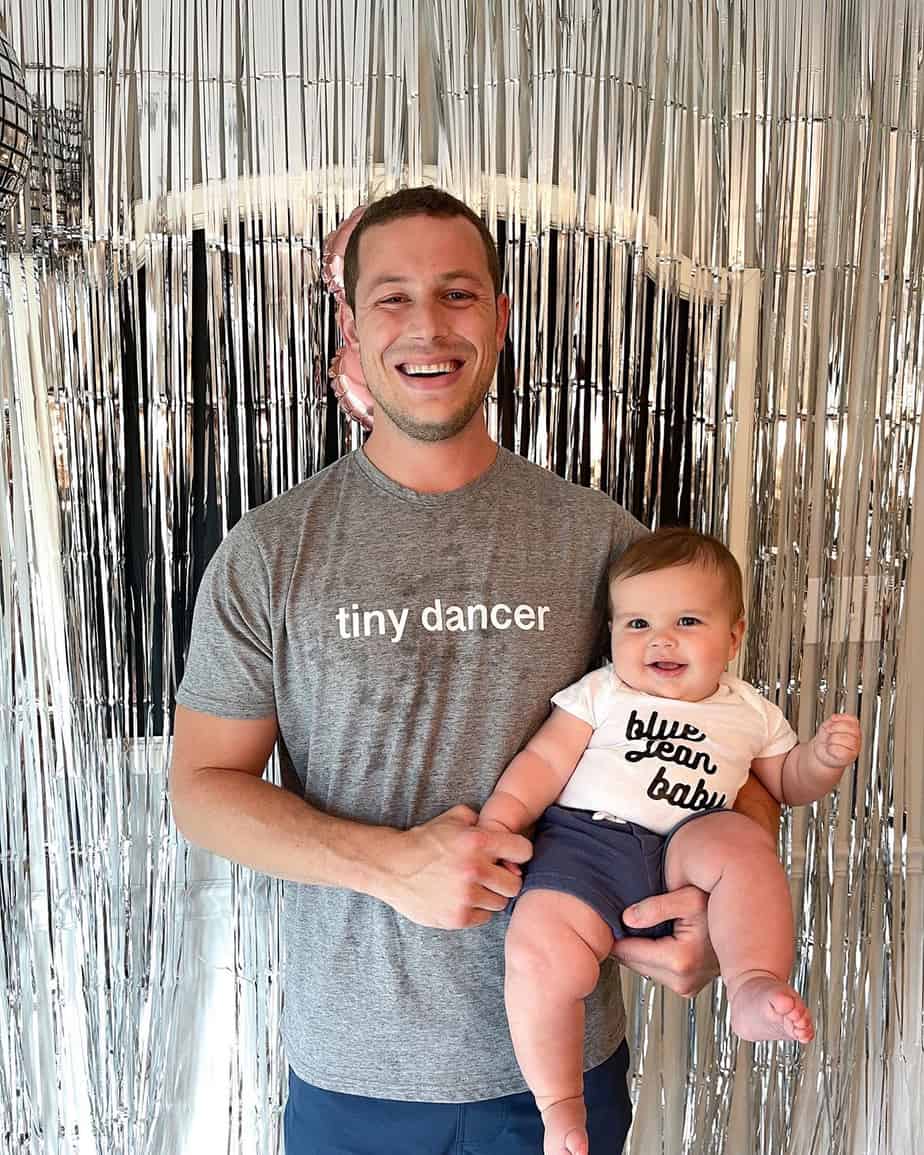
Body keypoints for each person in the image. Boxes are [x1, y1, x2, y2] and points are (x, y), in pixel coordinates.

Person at [169, 186, 782, 1155]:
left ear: (499, 319)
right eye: (393, 297)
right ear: (352, 323)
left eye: (458, 295)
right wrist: (391, 864)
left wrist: (716, 912)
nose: (427, 327)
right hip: (352, 1075)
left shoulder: (600, 542)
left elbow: (729, 753)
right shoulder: (269, 552)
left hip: (556, 1081)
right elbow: (202, 793)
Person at [478, 527, 862, 1155]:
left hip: (689, 845)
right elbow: (544, 762)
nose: (659, 638)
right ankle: (560, 1106)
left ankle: (752, 983)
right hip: (587, 845)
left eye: (687, 620)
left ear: (733, 636)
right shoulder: (602, 692)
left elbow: (787, 783)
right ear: (612, 634)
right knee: (541, 950)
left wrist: (823, 759)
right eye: (636, 624)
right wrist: (501, 819)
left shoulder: (752, 711)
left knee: (744, 848)